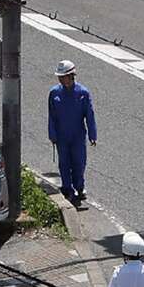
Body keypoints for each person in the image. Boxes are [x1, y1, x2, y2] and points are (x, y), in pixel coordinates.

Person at [46, 60, 97, 208]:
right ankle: (67, 189)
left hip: (78, 136)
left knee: (79, 163)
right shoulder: (54, 93)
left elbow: (89, 115)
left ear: (72, 76)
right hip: (62, 136)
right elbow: (52, 116)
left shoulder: (83, 93)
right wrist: (52, 134)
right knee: (64, 163)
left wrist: (92, 135)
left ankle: (79, 187)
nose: (61, 79)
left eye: (64, 76)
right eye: (60, 77)